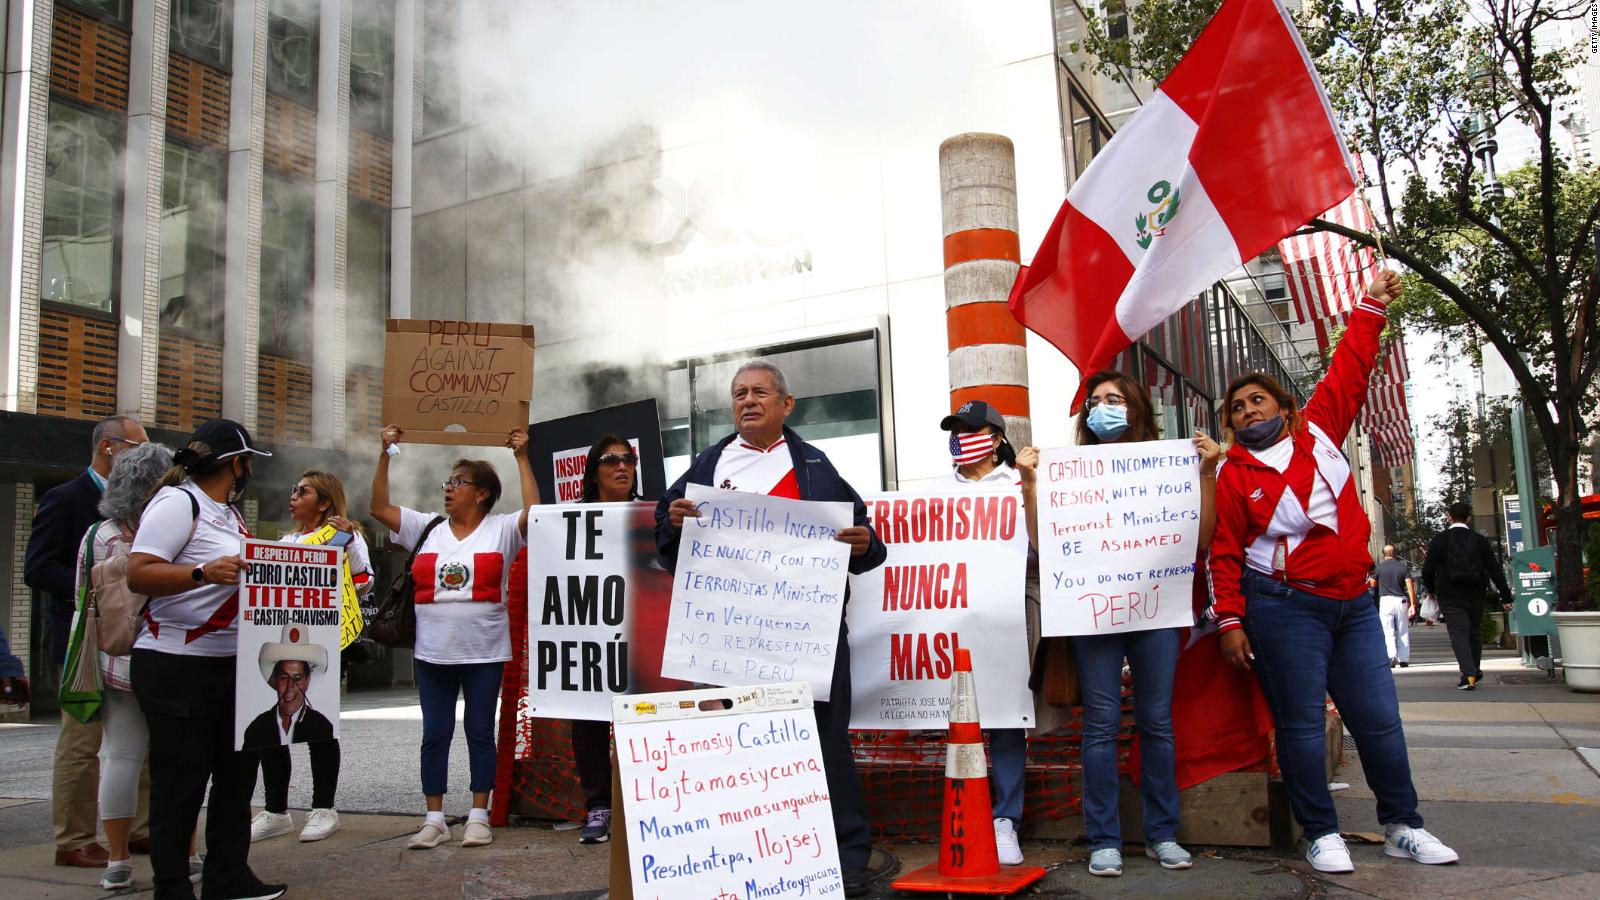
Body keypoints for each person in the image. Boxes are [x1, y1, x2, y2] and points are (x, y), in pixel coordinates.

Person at [1211, 272, 1458, 875]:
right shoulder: (1234, 476)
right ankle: (1321, 833)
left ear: (1284, 407)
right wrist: (1231, 622)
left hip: (1354, 604)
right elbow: (1223, 553)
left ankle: (1403, 825)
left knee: (1378, 721)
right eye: (1238, 409)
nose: (1248, 412)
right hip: (1284, 607)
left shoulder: (1320, 430)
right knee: (1298, 724)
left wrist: (1370, 304)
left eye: (1257, 401)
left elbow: (1351, 366)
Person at [655, 360, 887, 899]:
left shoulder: (815, 464)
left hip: (811, 639)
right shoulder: (708, 465)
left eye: (761, 392)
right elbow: (666, 535)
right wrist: (670, 524)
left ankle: (845, 855)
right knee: (737, 746)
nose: (748, 401)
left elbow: (865, 541)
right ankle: (743, 851)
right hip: (730, 640)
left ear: (787, 404)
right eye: (739, 394)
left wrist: (864, 544)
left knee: (827, 745)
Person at [1036, 372, 1218, 877]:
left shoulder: (1171, 466)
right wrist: (1032, 484)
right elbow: (1043, 542)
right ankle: (1104, 840)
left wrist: (1206, 474)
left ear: (1137, 408)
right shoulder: (1066, 470)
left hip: (1155, 608)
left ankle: (1163, 833)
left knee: (1156, 722)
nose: (1102, 408)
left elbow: (1202, 539)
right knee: (1100, 725)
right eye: (1095, 402)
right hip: (1093, 611)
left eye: (1114, 399)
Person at [125, 418, 284, 900]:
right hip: (178, 663)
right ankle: (172, 886)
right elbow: (139, 572)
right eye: (249, 461)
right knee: (181, 782)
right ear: (237, 463)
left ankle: (228, 874)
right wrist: (201, 572)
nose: (250, 469)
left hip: (230, 663)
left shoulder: (227, 512)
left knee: (236, 777)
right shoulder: (180, 502)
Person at [370, 423, 539, 851]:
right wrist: (385, 452)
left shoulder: (501, 530)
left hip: (484, 653)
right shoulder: (427, 528)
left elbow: (535, 514)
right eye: (449, 481)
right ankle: (434, 818)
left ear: (482, 493)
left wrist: (521, 456)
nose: (449, 488)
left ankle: (479, 814)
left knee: (480, 730)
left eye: (458, 482)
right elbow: (378, 507)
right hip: (431, 654)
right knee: (435, 733)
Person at [25, 414, 151, 867]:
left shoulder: (145, 506)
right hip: (84, 639)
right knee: (82, 743)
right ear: (109, 448)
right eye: (137, 444)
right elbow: (37, 568)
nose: (144, 452)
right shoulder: (65, 498)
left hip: (131, 640)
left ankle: (140, 828)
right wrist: (97, 589)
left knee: (138, 740)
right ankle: (74, 838)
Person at [73, 441, 186, 890]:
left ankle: (117, 860)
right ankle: (186, 852)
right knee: (178, 759)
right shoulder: (171, 529)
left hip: (114, 658)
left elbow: (83, 599)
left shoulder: (97, 535)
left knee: (119, 756)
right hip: (169, 656)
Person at [936, 400, 1040, 867]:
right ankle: (963, 813)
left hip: (1008, 613)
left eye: (973, 429)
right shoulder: (937, 495)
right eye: (957, 429)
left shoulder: (1021, 484)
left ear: (996, 438)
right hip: (954, 617)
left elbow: (1042, 548)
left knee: (1005, 717)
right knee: (960, 716)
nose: (963, 437)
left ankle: (1005, 820)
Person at [251, 471, 373, 844]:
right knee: (272, 728)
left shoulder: (347, 535)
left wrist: (346, 542)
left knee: (319, 727)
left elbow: (363, 581)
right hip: (283, 640)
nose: (293, 496)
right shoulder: (287, 541)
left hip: (324, 642)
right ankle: (276, 810)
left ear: (324, 502)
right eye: (293, 489)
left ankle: (324, 808)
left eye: (302, 491)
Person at [569, 434, 642, 845]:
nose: (622, 467)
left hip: (642, 639)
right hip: (590, 638)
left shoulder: (655, 514)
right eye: (611, 460)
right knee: (589, 721)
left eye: (628, 460)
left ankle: (646, 801)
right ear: (593, 471)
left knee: (643, 719)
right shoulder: (572, 520)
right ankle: (599, 806)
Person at [1421, 502, 1514, 690]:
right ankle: (1474, 669)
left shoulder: (1439, 541)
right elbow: (1494, 570)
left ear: (1449, 517)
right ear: (1469, 518)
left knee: (1458, 633)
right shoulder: (1479, 540)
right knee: (1474, 632)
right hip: (1475, 593)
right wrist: (1506, 596)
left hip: (1449, 594)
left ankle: (1468, 673)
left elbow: (1428, 569)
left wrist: (1431, 589)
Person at [1374, 545, 1416, 668]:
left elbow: (1372, 584)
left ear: (1383, 554)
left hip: (1385, 600)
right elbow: (1409, 585)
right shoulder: (1402, 567)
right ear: (1395, 554)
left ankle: (1391, 656)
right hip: (1400, 600)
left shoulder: (1379, 568)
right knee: (1403, 630)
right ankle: (1403, 659)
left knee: (1388, 630)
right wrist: (1412, 604)